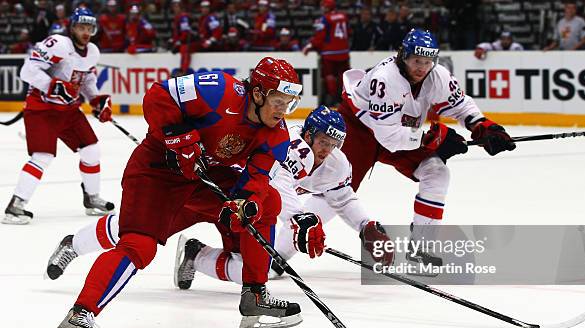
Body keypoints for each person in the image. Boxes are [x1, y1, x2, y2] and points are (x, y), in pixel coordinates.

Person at [46, 57, 304, 328]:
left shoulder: (277, 135)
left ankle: (255, 296)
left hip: (203, 178)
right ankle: (78, 317)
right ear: (257, 93)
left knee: (269, 202)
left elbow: (256, 179)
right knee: (139, 246)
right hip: (157, 172)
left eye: (289, 103)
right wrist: (178, 138)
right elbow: (158, 95)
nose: (283, 111)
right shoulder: (219, 89)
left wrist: (245, 204)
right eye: (278, 101)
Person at [44, 107, 395, 287]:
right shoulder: (292, 147)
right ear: (309, 134)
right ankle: (73, 244)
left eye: (334, 144)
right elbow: (278, 184)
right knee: (134, 227)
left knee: (262, 267)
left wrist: (366, 225)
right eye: (323, 142)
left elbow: (343, 198)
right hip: (208, 190)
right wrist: (301, 218)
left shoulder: (336, 165)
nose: (326, 150)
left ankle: (195, 256)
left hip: (239, 208)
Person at [338, 28, 515, 262]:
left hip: (400, 132)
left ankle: (421, 247)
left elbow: (460, 105)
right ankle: (282, 252)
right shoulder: (385, 78)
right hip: (360, 130)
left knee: (437, 173)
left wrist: (482, 126)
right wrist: (434, 139)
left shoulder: (437, 75)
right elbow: (387, 136)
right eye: (416, 61)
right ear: (403, 56)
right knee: (336, 190)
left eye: (428, 61)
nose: (422, 67)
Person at [3, 8, 114, 225]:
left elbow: (87, 80)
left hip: (69, 111)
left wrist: (96, 100)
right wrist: (52, 86)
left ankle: (92, 199)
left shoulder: (92, 51)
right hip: (42, 109)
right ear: (72, 27)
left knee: (92, 150)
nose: (85, 32)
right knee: (43, 157)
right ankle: (15, 207)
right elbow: (27, 71)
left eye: (89, 28)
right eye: (81, 27)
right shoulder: (59, 44)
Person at [302, 0, 349, 106]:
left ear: (328, 7)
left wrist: (310, 46)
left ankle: (333, 98)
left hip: (329, 52)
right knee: (343, 76)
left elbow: (319, 36)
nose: (322, 8)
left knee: (329, 76)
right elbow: (348, 32)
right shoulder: (343, 16)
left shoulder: (324, 19)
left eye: (324, 6)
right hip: (344, 52)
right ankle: (343, 98)